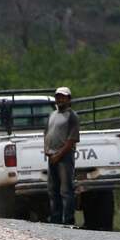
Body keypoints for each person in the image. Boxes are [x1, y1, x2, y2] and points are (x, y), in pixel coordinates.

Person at [44, 87, 80, 225]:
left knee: (66, 189)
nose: (60, 99)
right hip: (52, 156)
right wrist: (46, 150)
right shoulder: (52, 115)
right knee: (53, 189)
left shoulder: (72, 116)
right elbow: (46, 133)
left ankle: (68, 219)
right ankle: (55, 218)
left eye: (63, 97)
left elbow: (72, 140)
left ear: (69, 99)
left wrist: (58, 155)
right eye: (58, 97)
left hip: (65, 157)